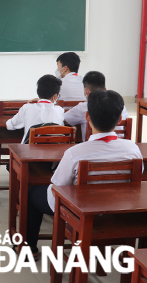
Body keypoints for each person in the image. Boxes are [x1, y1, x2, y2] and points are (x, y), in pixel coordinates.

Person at [24, 90, 142, 257]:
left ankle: (30, 249)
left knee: (33, 193)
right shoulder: (132, 149)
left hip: (80, 213)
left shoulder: (76, 152)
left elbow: (58, 185)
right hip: (117, 211)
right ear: (120, 119)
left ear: (87, 117)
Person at [63, 71, 129, 139]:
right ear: (105, 89)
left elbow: (63, 119)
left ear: (86, 91)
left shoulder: (83, 107)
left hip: (91, 146)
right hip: (120, 144)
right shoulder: (120, 105)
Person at [6, 74, 65, 143]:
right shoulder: (60, 110)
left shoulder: (27, 108)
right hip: (52, 151)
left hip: (29, 152)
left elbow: (9, 125)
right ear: (55, 96)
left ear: (38, 92)